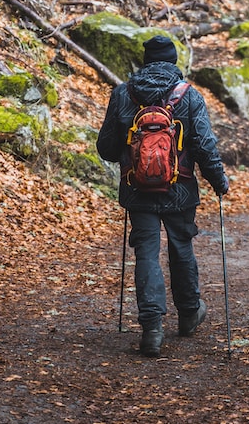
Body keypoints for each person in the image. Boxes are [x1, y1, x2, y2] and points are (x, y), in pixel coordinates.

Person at [97, 34, 229, 358]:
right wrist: (219, 181)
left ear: (145, 62)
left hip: (137, 188)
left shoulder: (123, 94)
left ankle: (152, 328)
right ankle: (188, 315)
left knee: (146, 251)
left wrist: (135, 153)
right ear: (173, 62)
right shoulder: (188, 96)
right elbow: (203, 145)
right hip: (180, 188)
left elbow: (106, 148)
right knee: (181, 247)